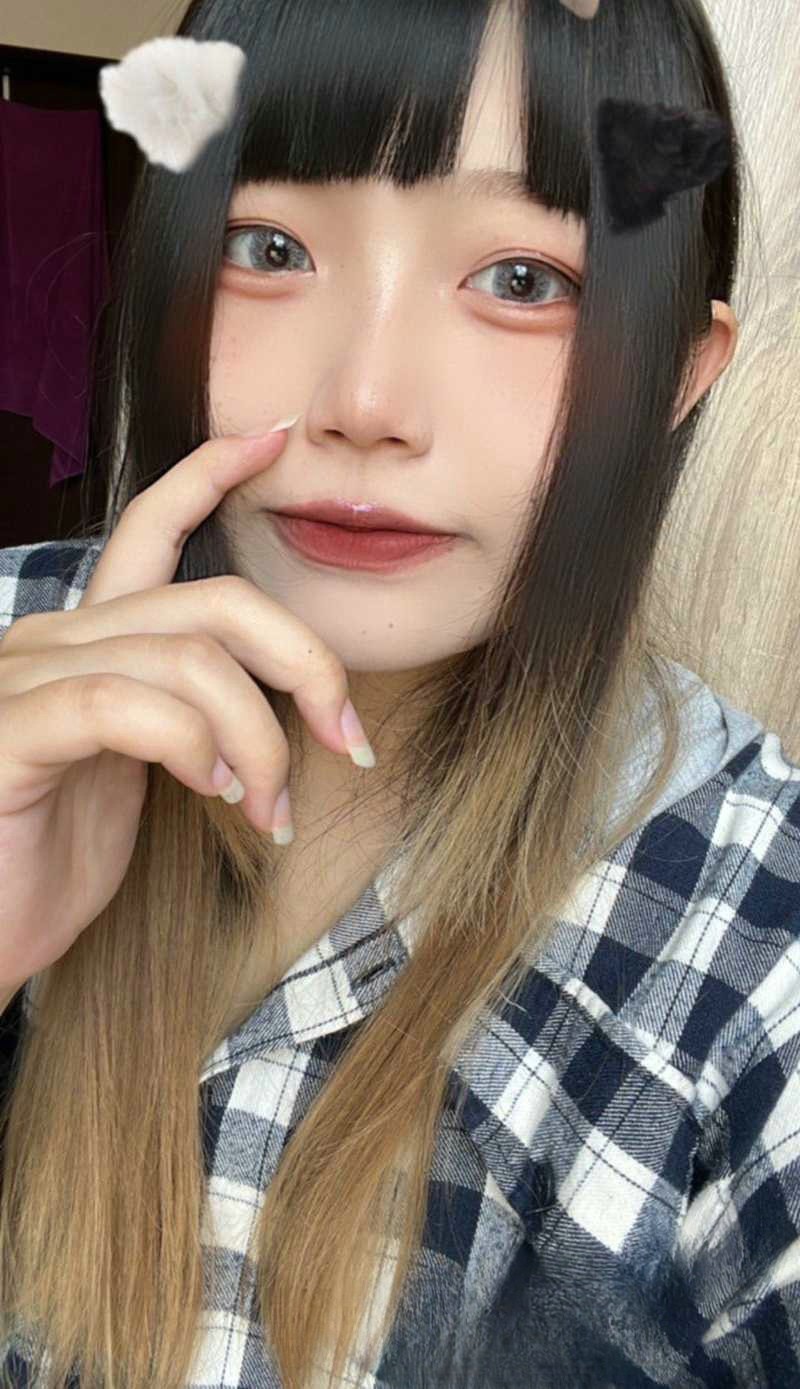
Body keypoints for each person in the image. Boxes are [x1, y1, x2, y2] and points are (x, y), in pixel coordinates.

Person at [0, 1, 798, 1386]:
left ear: (674, 373)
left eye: (523, 279)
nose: (366, 401)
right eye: (268, 248)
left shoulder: (751, 947)